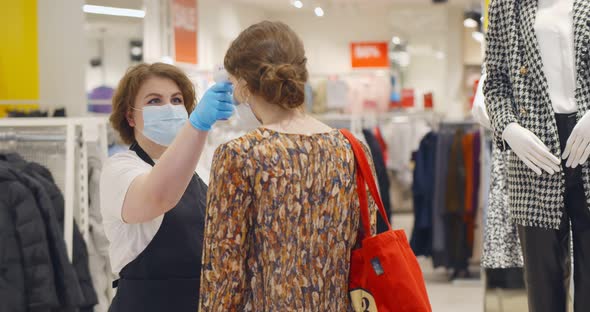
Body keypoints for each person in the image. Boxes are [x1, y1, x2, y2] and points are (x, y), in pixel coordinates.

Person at [198, 21, 377, 311]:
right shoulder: (353, 148)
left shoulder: (239, 155)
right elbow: (364, 246)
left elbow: (223, 275)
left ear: (243, 86)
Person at [99, 63, 234, 311]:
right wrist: (198, 127)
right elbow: (157, 197)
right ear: (130, 116)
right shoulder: (119, 170)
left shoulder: (202, 170)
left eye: (176, 99)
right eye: (154, 101)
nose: (169, 108)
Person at [485, 0, 590, 311]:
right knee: (544, 286)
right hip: (533, 150)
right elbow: (495, 83)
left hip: (587, 134)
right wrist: (508, 129)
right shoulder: (507, 6)